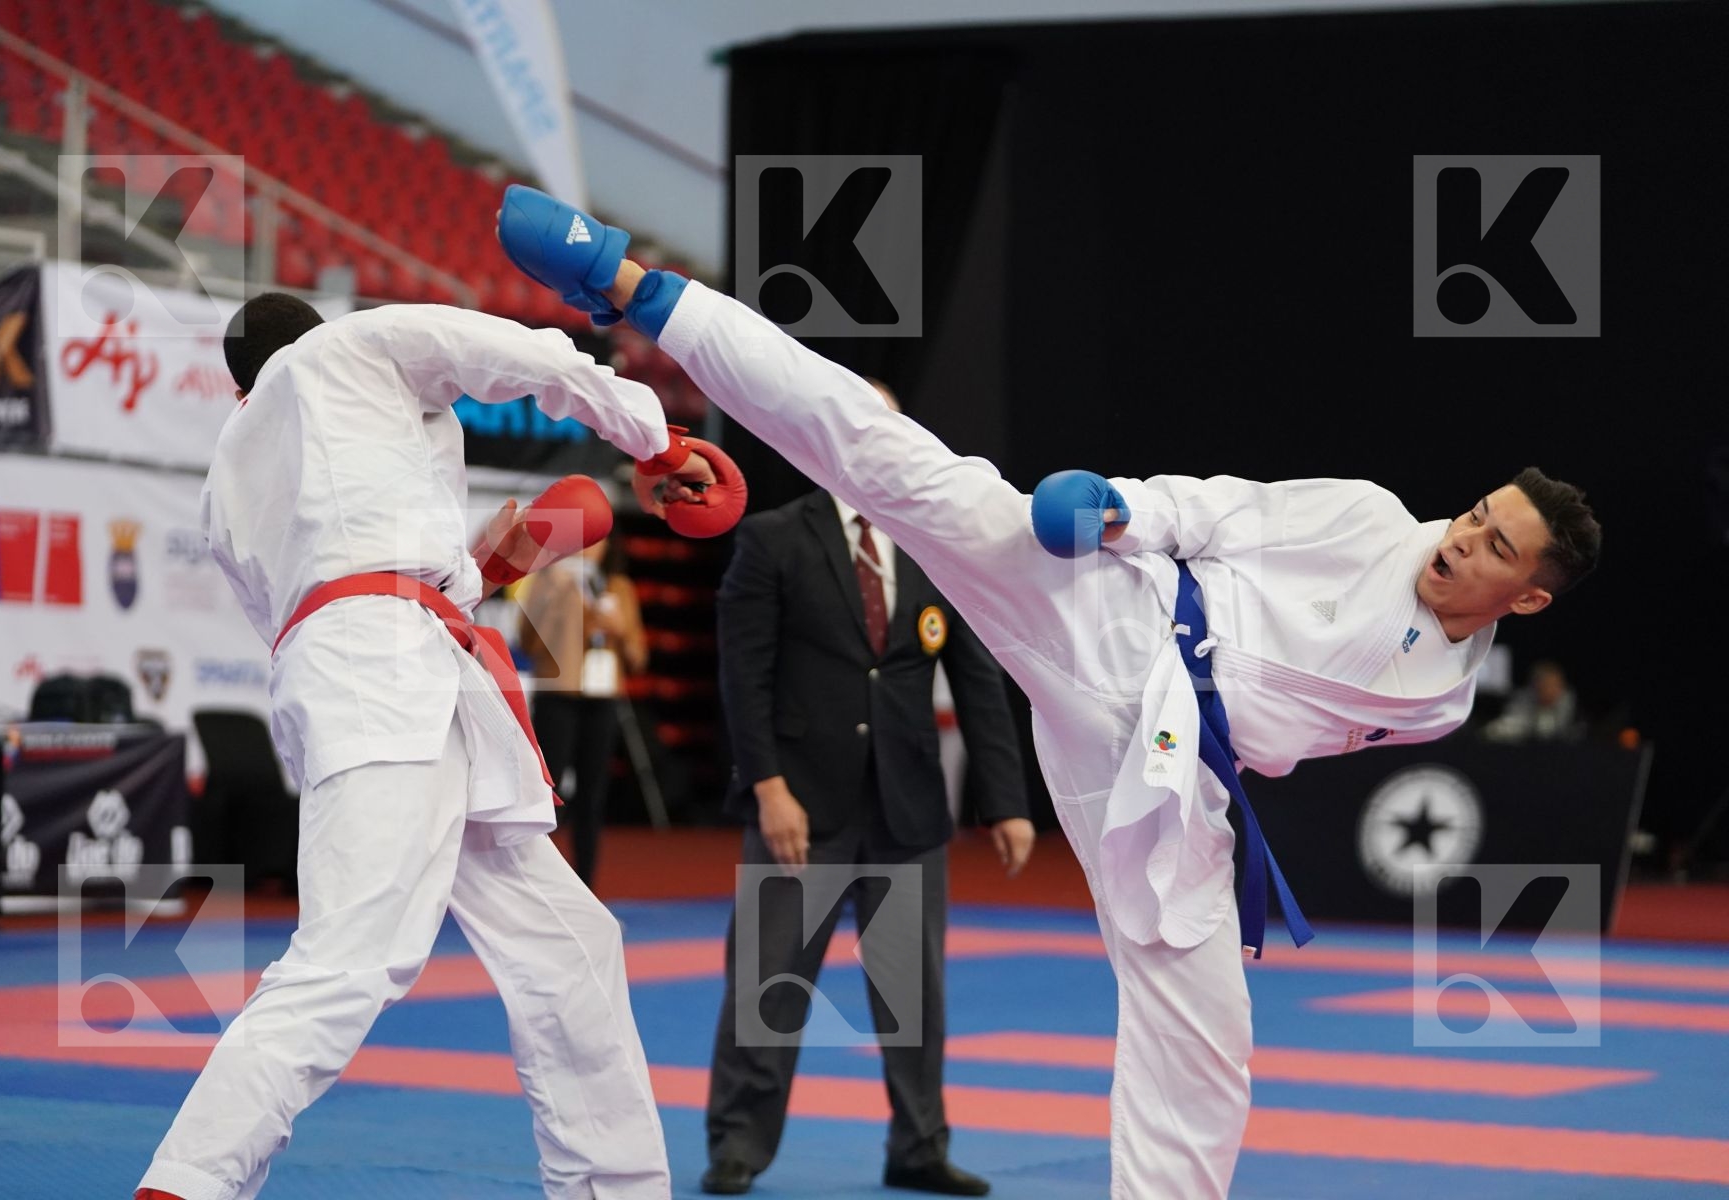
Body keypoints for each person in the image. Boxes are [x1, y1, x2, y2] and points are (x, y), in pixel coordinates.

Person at [495, 186, 1603, 1199]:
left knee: (1206, 1031)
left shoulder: (1443, 701)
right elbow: (1214, 512)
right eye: (1474, 514)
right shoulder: (1368, 517)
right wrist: (1116, 508)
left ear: (1529, 598)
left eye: (1495, 544)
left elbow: (1277, 727)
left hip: (1168, 777)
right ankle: (638, 289)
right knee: (892, 461)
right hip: (1112, 614)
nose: (1463, 539)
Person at [134, 292, 741, 1200]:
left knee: (570, 945)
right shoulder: (357, 345)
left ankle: (613, 1187)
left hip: (379, 665)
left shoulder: (231, 477)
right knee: (347, 958)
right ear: (319, 330)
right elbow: (533, 355)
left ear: (237, 388)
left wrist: (485, 570)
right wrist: (655, 443)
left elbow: (342, 587)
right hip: (388, 665)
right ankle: (184, 1185)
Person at [702, 381, 1034, 1197]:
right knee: (768, 984)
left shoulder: (938, 547)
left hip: (908, 807)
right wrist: (768, 788)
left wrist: (1008, 800)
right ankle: (738, 1143)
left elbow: (979, 678)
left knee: (911, 993)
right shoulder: (773, 540)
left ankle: (918, 1146)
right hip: (800, 807)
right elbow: (743, 680)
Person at [518, 533, 649, 886]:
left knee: (593, 796)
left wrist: (619, 629)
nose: (589, 548)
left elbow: (638, 658)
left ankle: (586, 885)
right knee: (548, 795)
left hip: (602, 698)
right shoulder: (548, 581)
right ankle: (535, 882)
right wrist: (558, 597)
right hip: (557, 697)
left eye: (597, 540)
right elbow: (528, 643)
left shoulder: (618, 586)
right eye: (581, 540)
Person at [1482, 659, 1583, 743]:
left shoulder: (1567, 700)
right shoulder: (1522, 701)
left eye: (1557, 686)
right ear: (1536, 686)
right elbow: (1499, 729)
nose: (1553, 691)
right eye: (1547, 686)